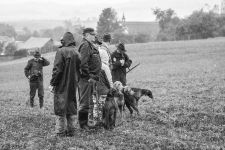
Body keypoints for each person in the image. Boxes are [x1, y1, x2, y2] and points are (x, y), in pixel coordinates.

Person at [50, 32, 80, 136]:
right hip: (73, 84)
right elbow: (81, 69)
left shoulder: (61, 51)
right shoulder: (77, 52)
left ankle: (60, 132)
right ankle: (72, 131)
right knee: (71, 106)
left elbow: (57, 70)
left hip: (61, 85)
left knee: (60, 107)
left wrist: (53, 83)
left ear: (64, 41)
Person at [78, 28, 101, 130]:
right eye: (92, 34)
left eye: (94, 34)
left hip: (91, 78)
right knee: (85, 102)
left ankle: (86, 122)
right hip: (86, 79)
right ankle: (83, 125)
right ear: (86, 35)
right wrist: (89, 76)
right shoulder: (86, 45)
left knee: (88, 101)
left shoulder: (90, 45)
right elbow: (83, 63)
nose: (94, 36)